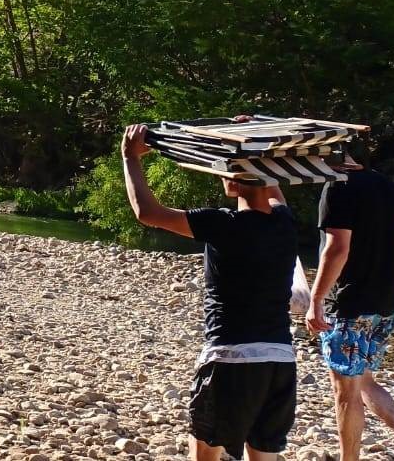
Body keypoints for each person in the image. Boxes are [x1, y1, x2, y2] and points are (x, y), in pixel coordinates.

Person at [121, 124, 298, 461]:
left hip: (232, 358)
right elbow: (271, 185)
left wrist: (130, 158)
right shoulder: (285, 223)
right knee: (263, 454)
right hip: (280, 359)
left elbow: (148, 213)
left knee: (206, 450)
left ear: (232, 179)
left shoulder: (223, 224)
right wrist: (254, 134)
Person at [307, 157, 394, 461]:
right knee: (363, 380)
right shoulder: (384, 184)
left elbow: (338, 248)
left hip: (351, 306)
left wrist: (316, 300)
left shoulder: (337, 186)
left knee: (346, 391)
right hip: (386, 305)